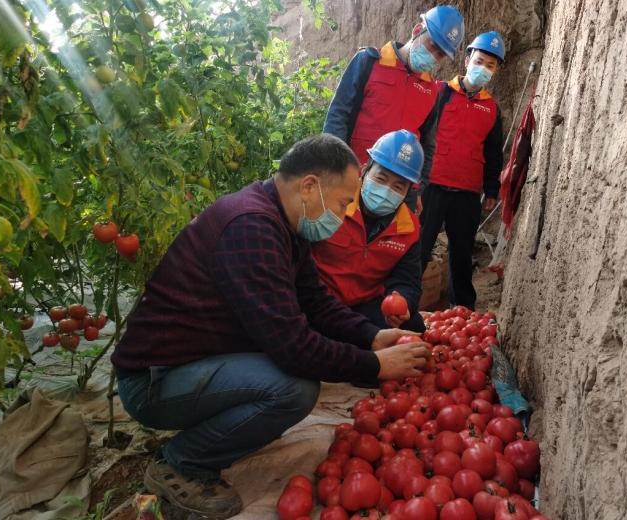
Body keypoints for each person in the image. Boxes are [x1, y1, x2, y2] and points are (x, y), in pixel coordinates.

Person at [111, 135, 430, 519]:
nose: (348, 210)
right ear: (310, 186)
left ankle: (208, 431)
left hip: (199, 357)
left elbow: (316, 302)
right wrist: (376, 365)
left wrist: (372, 336)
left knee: (286, 373)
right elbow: (294, 347)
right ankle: (181, 461)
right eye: (345, 200)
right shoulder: (253, 228)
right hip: (153, 380)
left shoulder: (283, 224)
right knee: (292, 390)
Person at [322, 5, 465, 210]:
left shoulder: (432, 91)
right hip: (352, 177)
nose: (433, 56)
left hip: (396, 191)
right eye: (431, 45)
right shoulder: (369, 61)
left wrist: (417, 188)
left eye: (440, 54)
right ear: (417, 30)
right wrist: (333, 166)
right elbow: (339, 115)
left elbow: (428, 143)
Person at [419, 32, 506, 309]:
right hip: (431, 186)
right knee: (417, 251)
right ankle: (402, 306)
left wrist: (491, 190)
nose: (483, 69)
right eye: (479, 61)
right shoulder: (440, 92)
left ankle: (463, 312)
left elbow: (493, 154)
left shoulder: (492, 109)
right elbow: (420, 133)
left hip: (467, 193)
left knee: (461, 256)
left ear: (496, 71)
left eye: (490, 66)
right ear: (467, 59)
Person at [312, 130, 426, 335]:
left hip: (364, 304)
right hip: (318, 300)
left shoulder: (409, 229)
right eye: (381, 178)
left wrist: (402, 302)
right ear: (364, 171)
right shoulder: (331, 203)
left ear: (407, 192)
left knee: (414, 325)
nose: (386, 189)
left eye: (398, 186)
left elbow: (408, 280)